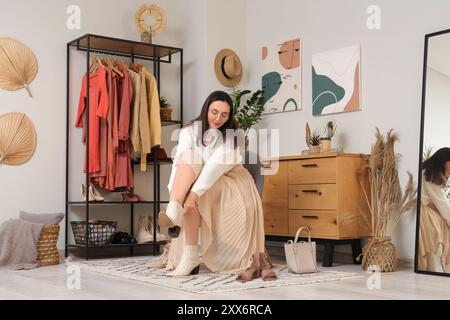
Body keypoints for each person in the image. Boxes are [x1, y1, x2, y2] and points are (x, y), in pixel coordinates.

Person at [148, 90, 276, 281]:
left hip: (231, 181)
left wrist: (191, 196)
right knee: (188, 157)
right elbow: (178, 166)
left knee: (196, 190)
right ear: (206, 108)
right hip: (199, 180)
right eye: (214, 112)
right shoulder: (189, 131)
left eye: (224, 115)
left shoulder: (233, 136)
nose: (218, 118)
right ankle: (174, 212)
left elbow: (214, 168)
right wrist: (175, 196)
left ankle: (187, 250)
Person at [419, 147, 450, 272]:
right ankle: (447, 269)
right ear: (443, 160)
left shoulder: (427, 171)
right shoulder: (430, 175)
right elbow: (442, 206)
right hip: (426, 213)